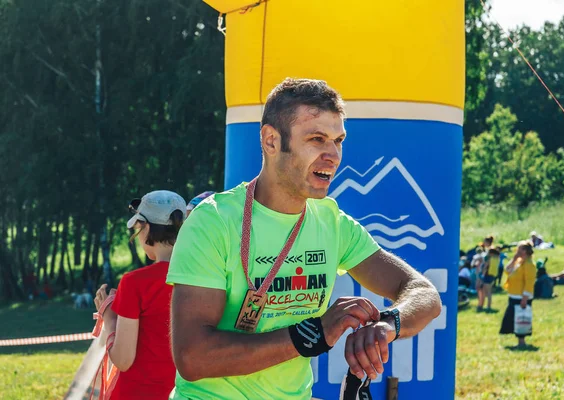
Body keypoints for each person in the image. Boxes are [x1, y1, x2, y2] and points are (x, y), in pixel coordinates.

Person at [167, 78, 442, 399]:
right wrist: (312, 333)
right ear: (271, 141)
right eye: (317, 139)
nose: (333, 155)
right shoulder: (213, 221)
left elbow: (424, 295)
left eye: (338, 140)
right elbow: (193, 357)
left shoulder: (332, 223)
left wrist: (387, 325)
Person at [94, 190, 186, 399]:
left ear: (145, 229)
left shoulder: (134, 282)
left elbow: (123, 360)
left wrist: (109, 318)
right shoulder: (204, 278)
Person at [500, 241, 536, 348]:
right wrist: (514, 259)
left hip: (521, 297)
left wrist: (525, 298)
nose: (517, 251)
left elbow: (529, 282)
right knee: (512, 318)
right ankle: (519, 340)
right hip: (513, 295)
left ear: (525, 251)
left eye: (519, 249)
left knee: (521, 319)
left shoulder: (529, 265)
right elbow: (507, 270)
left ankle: (521, 342)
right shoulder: (519, 262)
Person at [478, 247, 499, 311]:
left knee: (487, 292)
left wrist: (482, 275)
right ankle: (485, 305)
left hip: (487, 275)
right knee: (488, 291)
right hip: (493, 276)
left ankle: (487, 306)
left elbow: (485, 267)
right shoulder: (497, 259)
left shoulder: (490, 259)